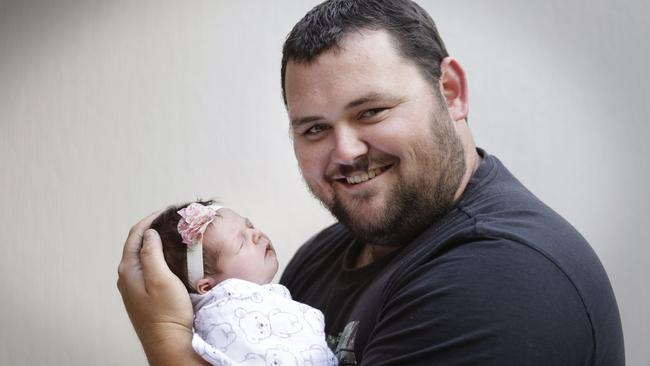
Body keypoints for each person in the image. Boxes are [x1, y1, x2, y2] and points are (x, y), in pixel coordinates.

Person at [117, 0, 625, 365]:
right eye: (314, 128)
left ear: (449, 92)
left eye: (372, 111)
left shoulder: (503, 278)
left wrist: (167, 341)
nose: (345, 151)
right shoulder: (327, 253)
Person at [149, 200, 337, 366]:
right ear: (208, 287)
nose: (256, 234)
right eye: (241, 244)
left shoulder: (268, 299)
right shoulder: (225, 317)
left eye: (250, 226)